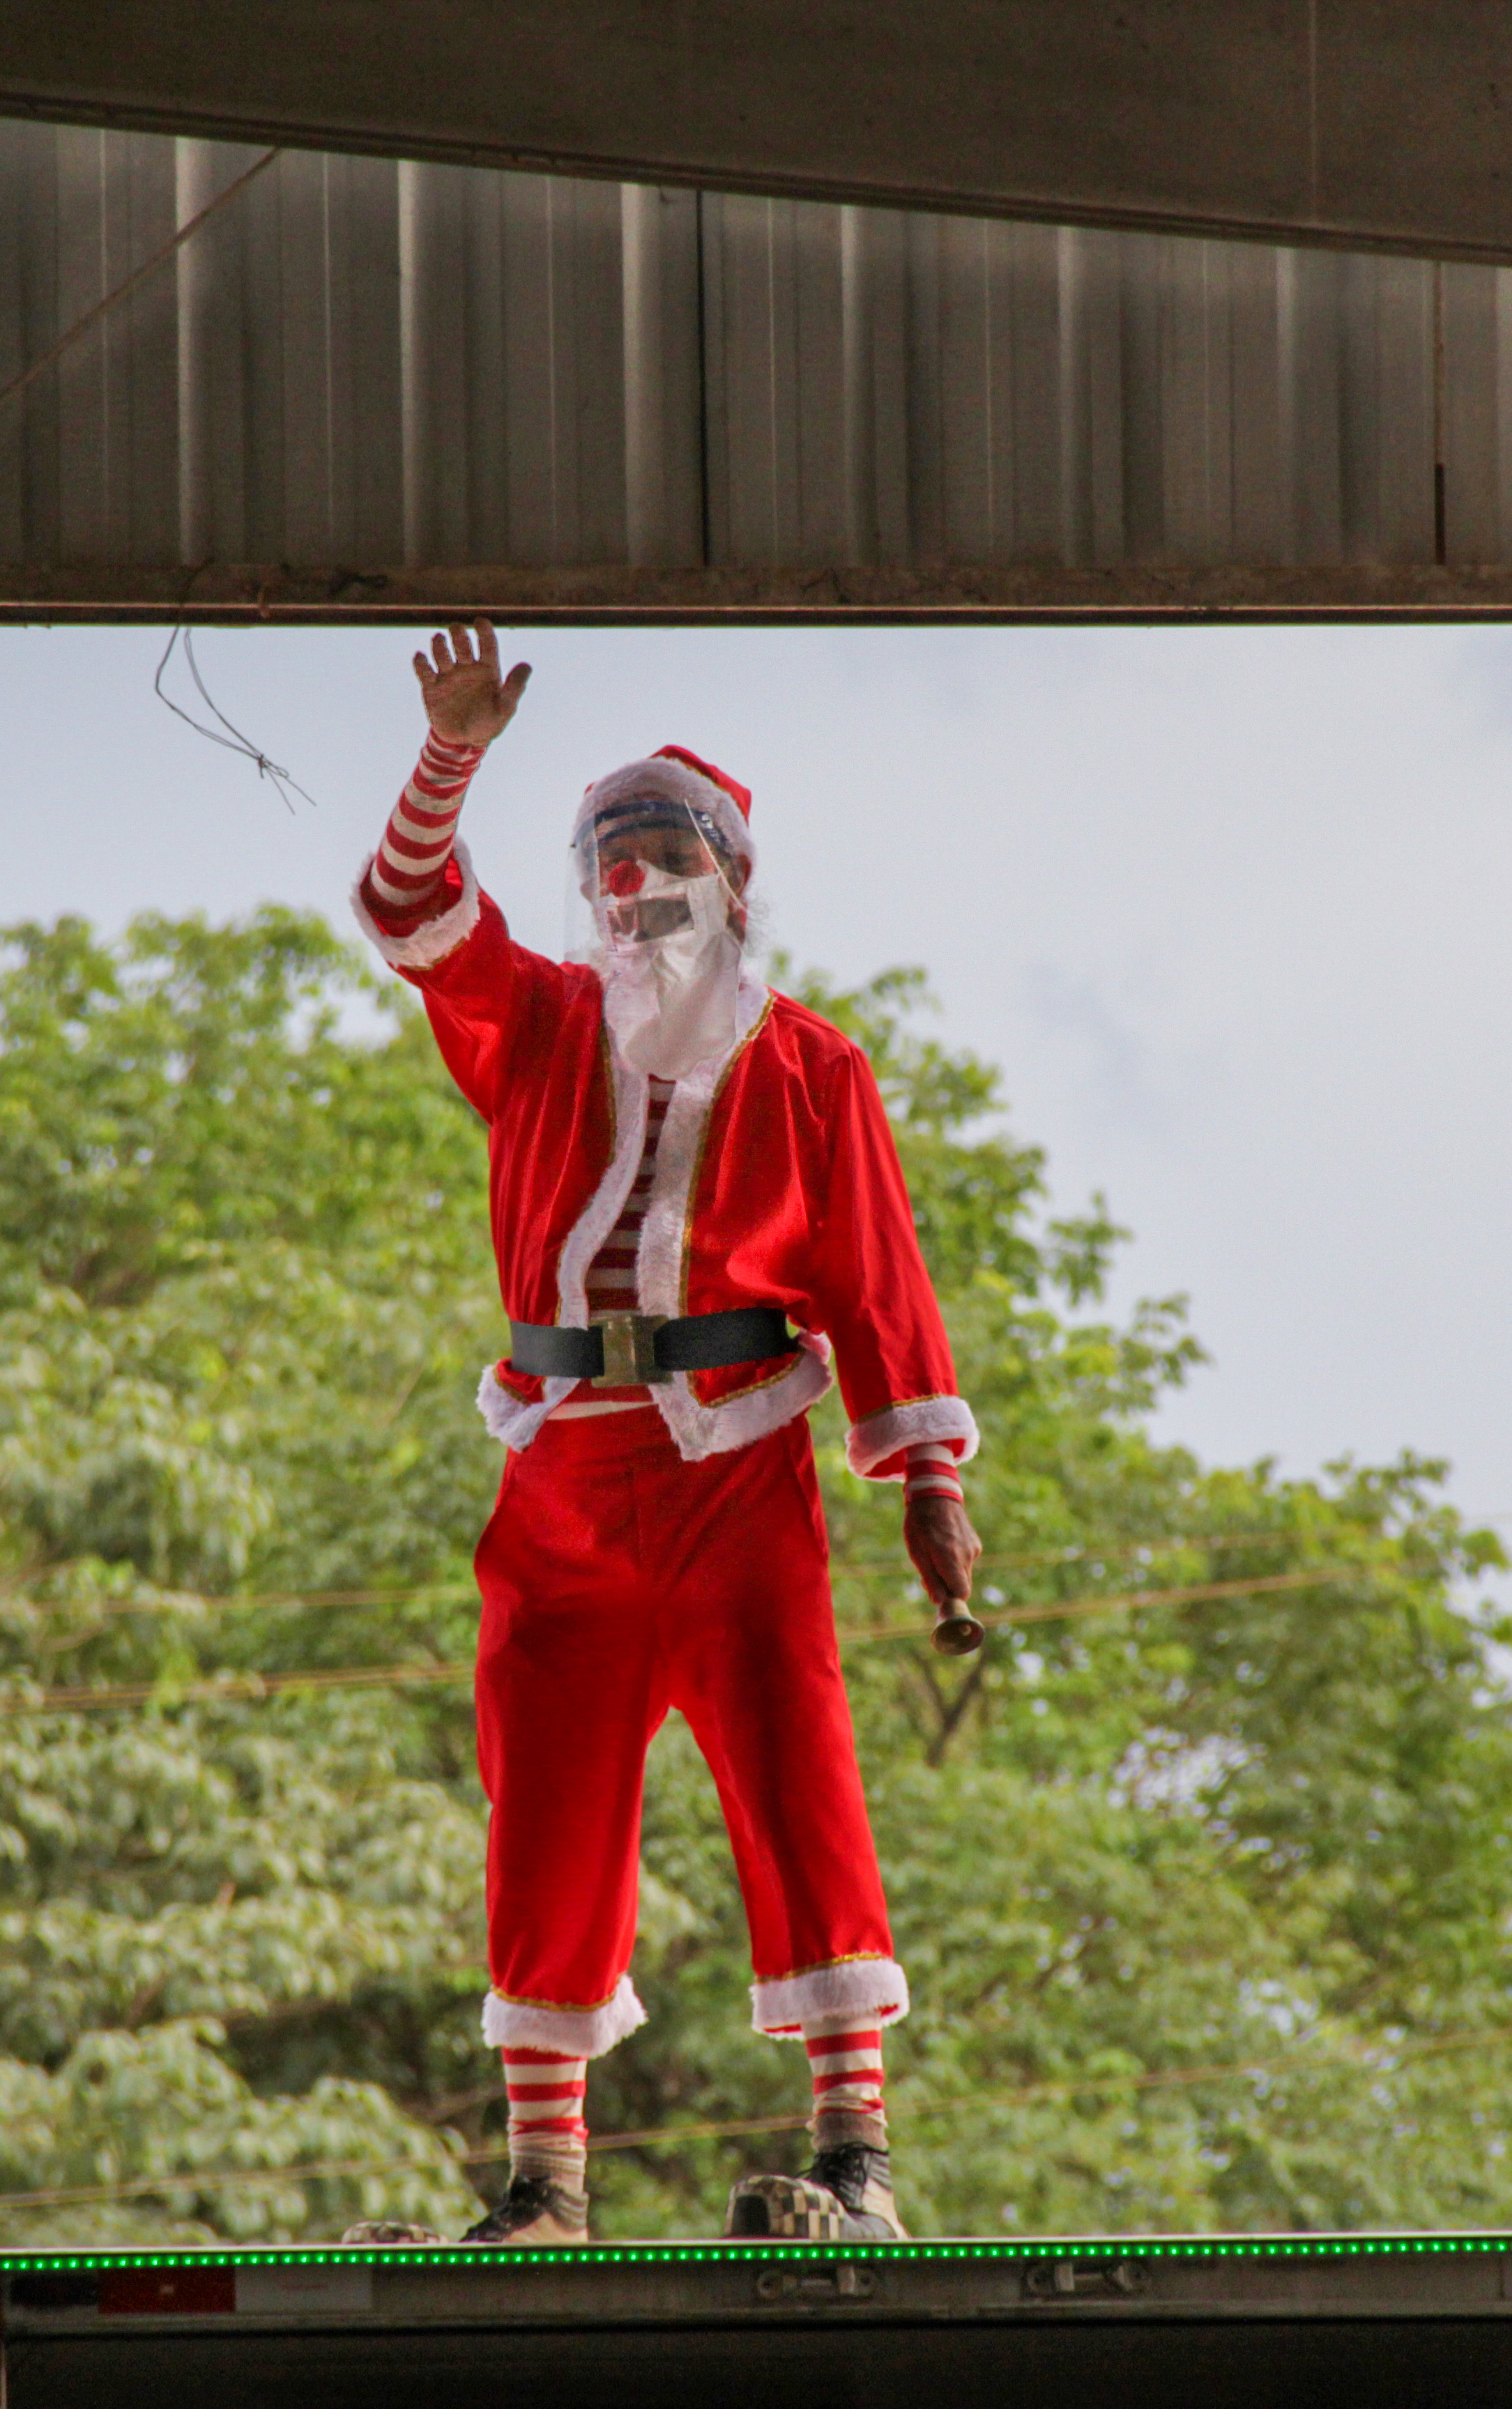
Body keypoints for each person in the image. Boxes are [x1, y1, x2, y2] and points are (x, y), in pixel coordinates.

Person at [342, 623, 982, 2248]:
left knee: (796, 1765)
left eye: (668, 862)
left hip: (738, 1467)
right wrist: (450, 758)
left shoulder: (815, 1066)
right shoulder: (541, 1023)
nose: (637, 892)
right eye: (611, 870)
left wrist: (930, 1492)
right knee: (546, 1801)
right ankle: (547, 2183)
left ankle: (857, 2159)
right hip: (559, 1469)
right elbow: (416, 915)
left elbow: (878, 1280)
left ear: (736, 886)